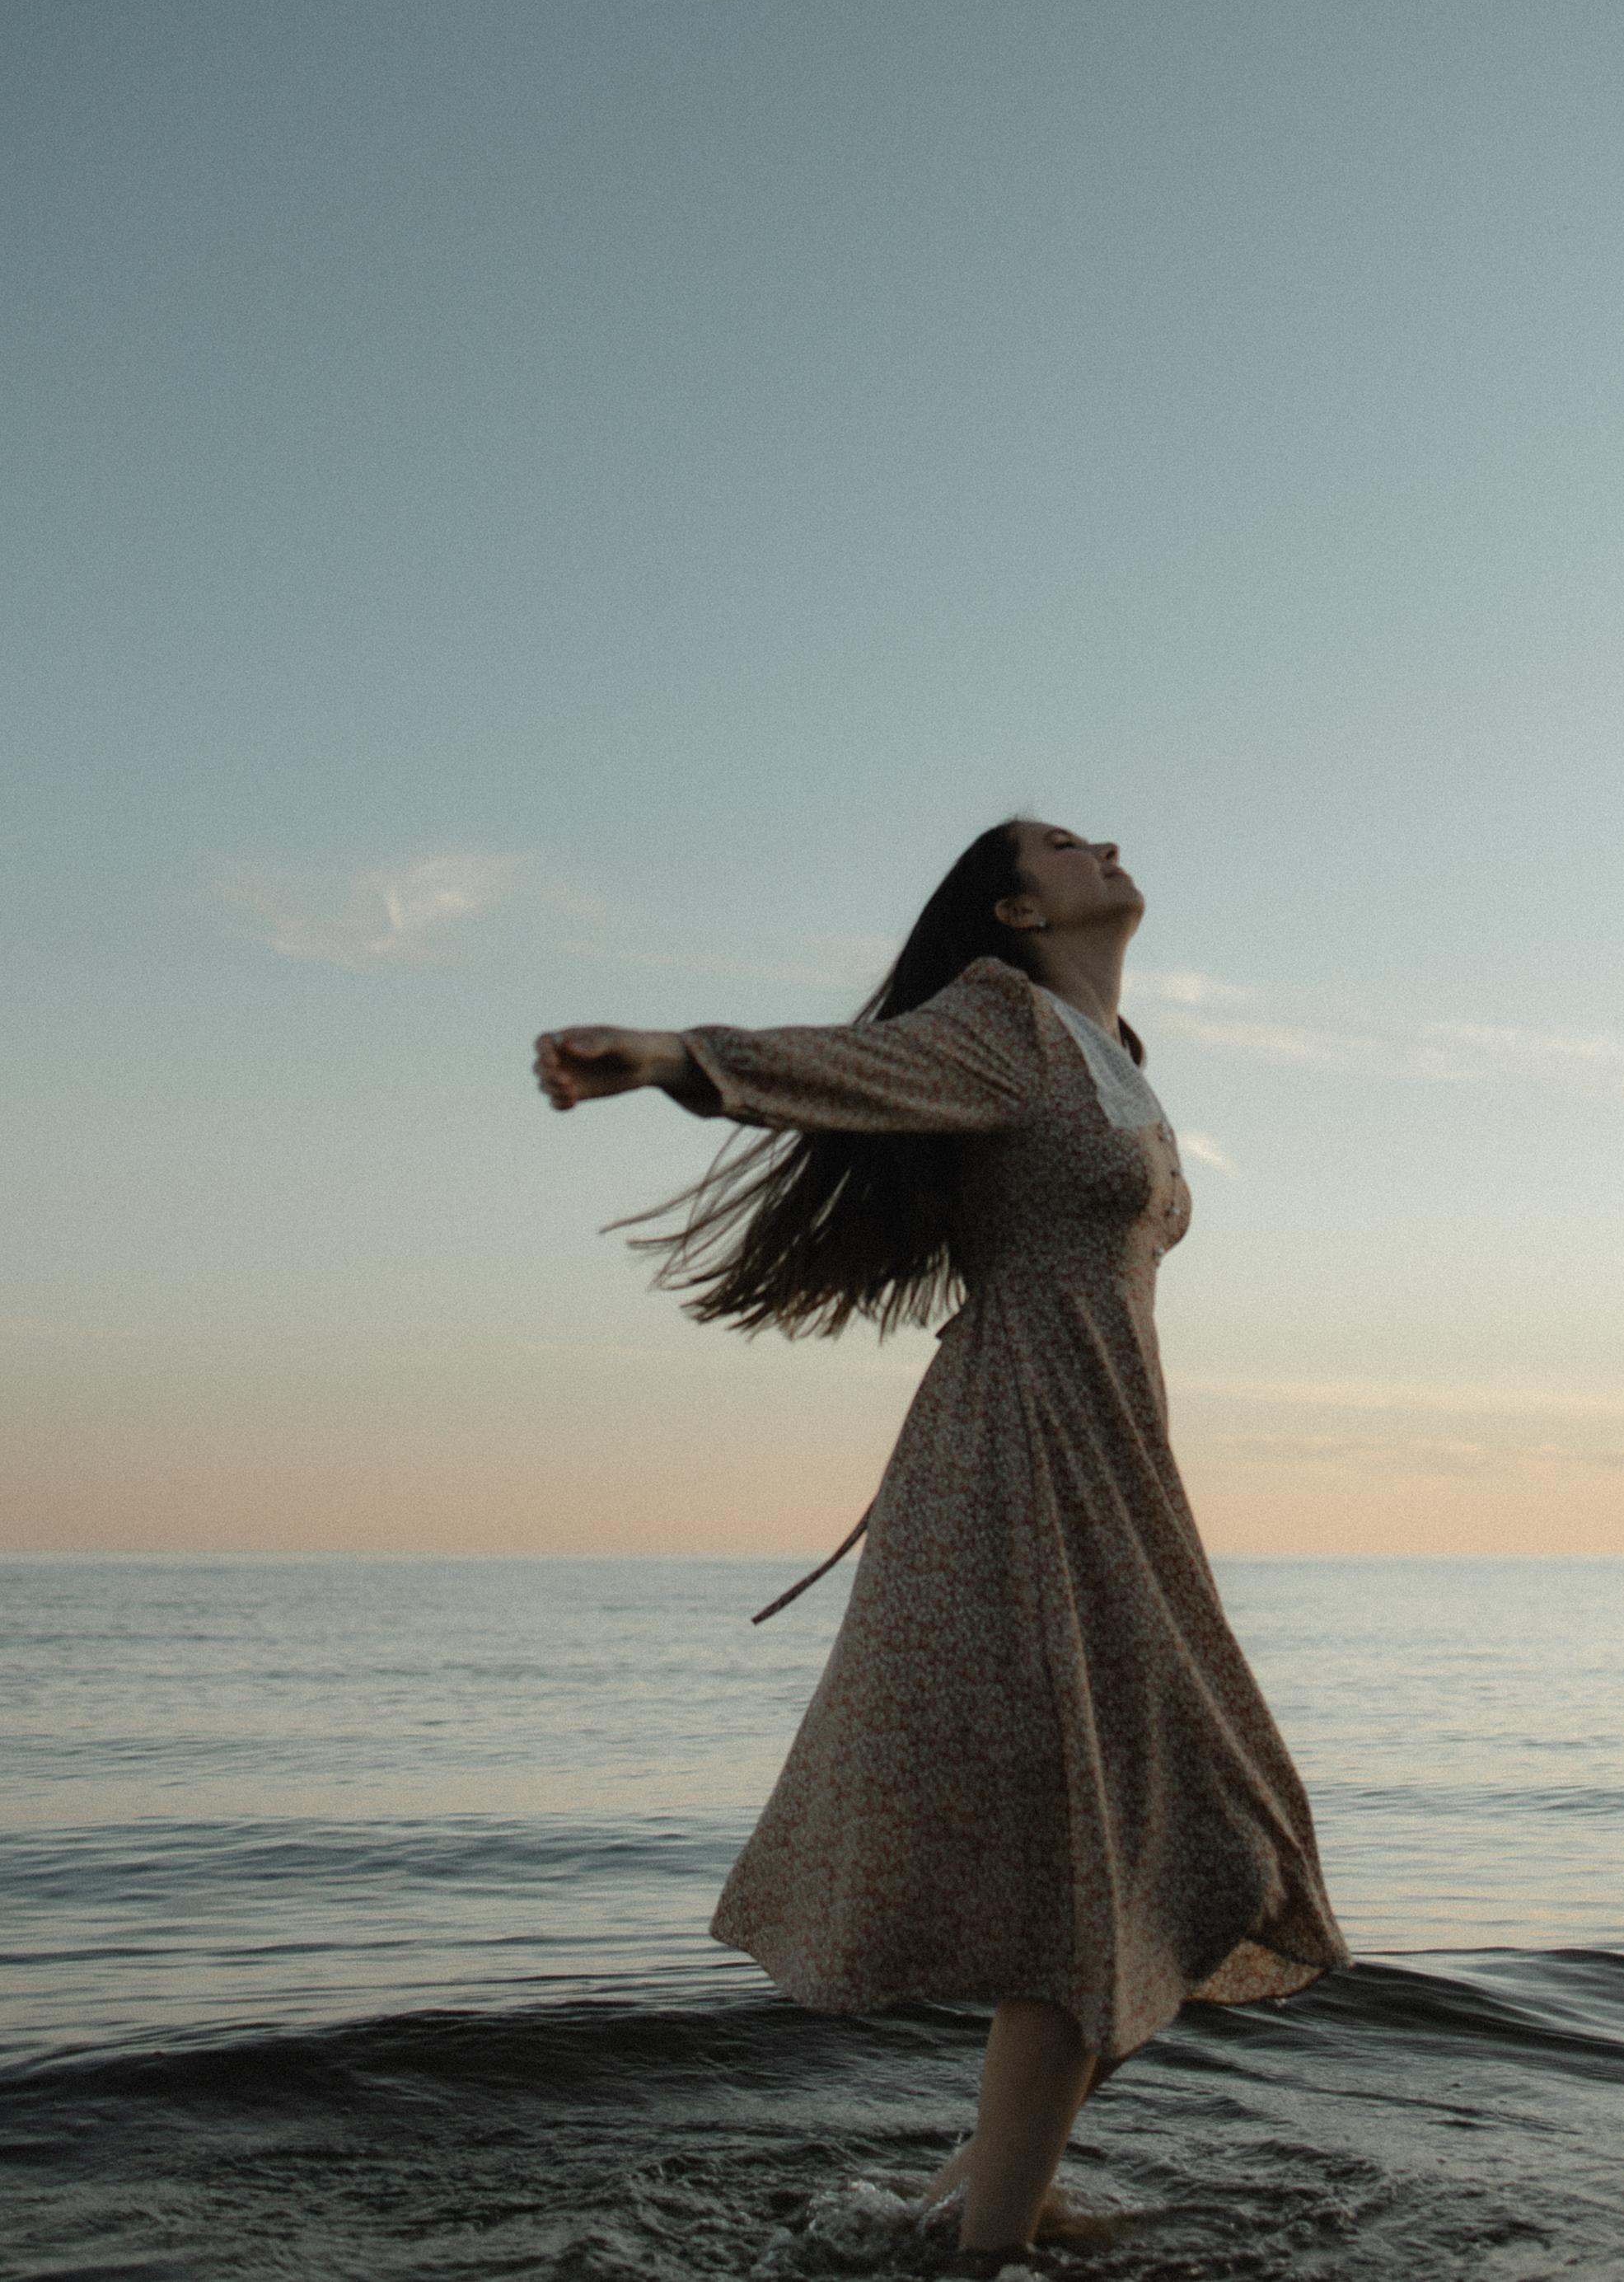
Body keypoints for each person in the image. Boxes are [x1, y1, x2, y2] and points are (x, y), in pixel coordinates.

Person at [533, 819, 1349, 2274]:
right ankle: (985, 2244)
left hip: (1113, 1467)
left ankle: (981, 2183)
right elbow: (864, 1071)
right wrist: (675, 1058)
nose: (1103, 842)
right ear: (1015, 907)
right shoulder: (1002, 1023)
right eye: (1061, 842)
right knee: (1086, 1869)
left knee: (1225, 1846)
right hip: (1015, 1459)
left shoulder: (1119, 1058)